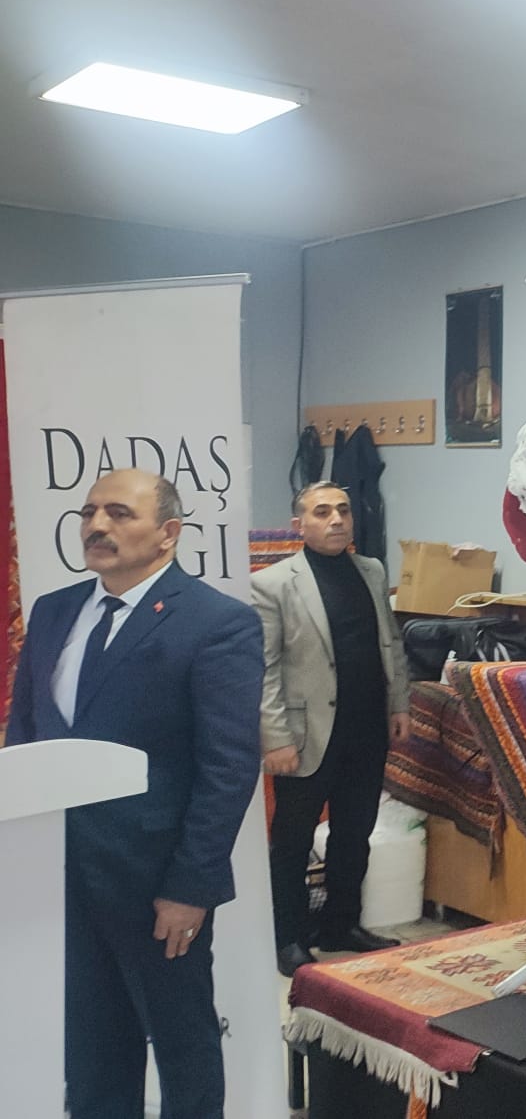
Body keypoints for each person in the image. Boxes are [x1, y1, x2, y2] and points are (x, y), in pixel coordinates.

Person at [7, 469, 263, 1119]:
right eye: (89, 512)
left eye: (119, 513)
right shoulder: (54, 611)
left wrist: (190, 886)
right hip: (61, 877)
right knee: (91, 1045)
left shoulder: (216, 622)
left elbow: (227, 766)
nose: (97, 526)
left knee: (181, 1042)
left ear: (168, 533)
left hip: (157, 884)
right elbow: (26, 736)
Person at [253, 480, 411, 976]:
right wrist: (275, 738)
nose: (336, 519)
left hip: (366, 727)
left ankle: (342, 924)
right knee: (293, 841)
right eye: (322, 512)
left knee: (354, 833)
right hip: (306, 735)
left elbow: (390, 643)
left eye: (343, 509)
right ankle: (289, 938)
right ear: (299, 524)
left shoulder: (371, 570)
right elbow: (264, 668)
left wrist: (399, 704)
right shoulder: (273, 584)